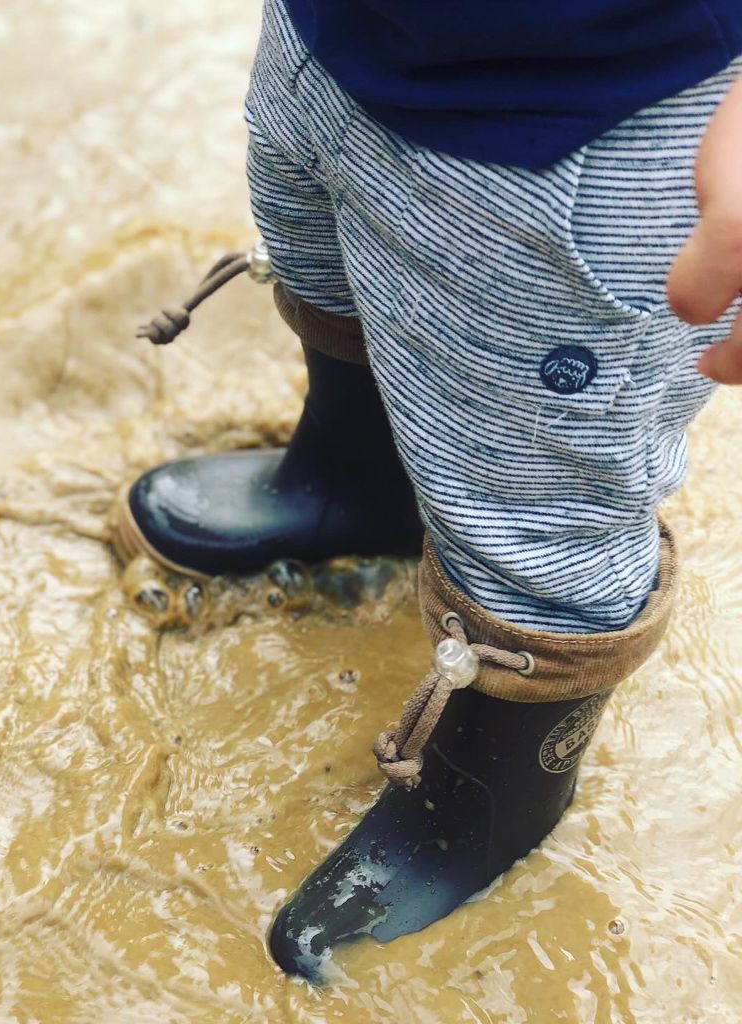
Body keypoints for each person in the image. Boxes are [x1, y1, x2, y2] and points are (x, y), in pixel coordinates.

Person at [115, 0, 742, 982]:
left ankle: (491, 799)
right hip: (334, 37)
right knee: (333, 268)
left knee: (537, 500)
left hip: (596, 126)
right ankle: (358, 483)